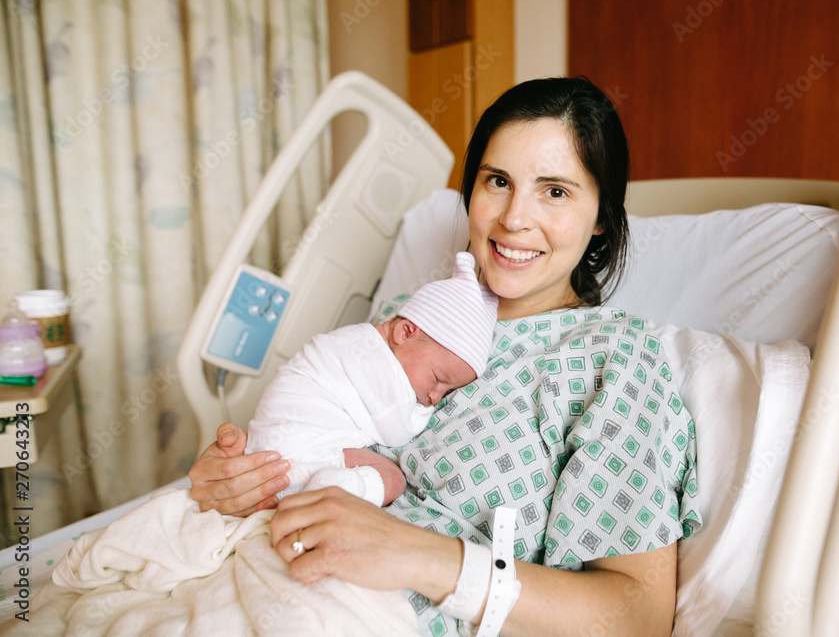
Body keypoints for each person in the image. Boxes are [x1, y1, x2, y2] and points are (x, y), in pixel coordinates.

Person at [189, 76, 701, 636]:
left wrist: (420, 556)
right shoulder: (413, 315)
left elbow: (637, 616)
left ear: (602, 215)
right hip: (255, 571)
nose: (513, 218)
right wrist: (240, 481)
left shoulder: (614, 363)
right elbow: (315, 440)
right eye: (498, 181)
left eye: (555, 191)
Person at [244, 251, 498, 508]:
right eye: (437, 379)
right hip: (292, 460)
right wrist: (423, 413)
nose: (435, 397)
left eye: (446, 391)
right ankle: (332, 492)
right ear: (406, 331)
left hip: (263, 458)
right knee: (393, 478)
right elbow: (398, 432)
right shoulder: (378, 362)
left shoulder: (358, 340)